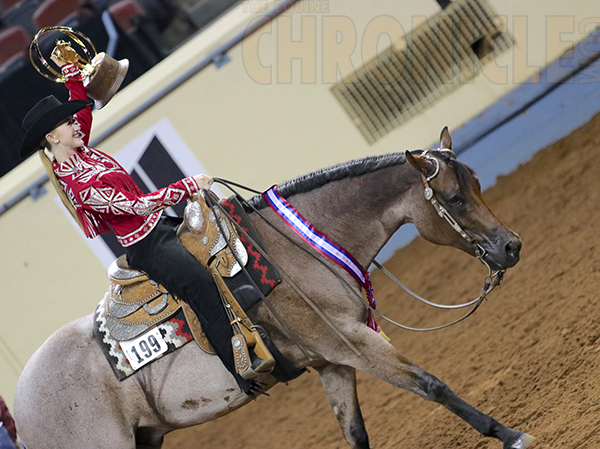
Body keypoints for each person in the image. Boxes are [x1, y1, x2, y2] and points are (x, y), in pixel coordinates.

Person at [19, 53, 270, 396]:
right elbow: (133, 206)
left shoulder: (80, 150)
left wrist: (70, 70)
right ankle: (240, 369)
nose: (76, 124)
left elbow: (81, 105)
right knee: (200, 286)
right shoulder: (77, 186)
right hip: (147, 246)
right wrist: (185, 186)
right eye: (67, 124)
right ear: (52, 138)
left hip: (161, 225)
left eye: (72, 121)